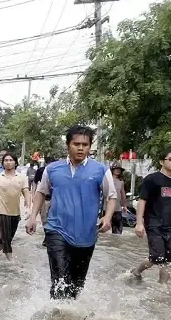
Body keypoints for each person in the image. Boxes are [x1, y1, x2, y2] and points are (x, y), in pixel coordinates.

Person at [26, 126, 116, 299]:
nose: (81, 148)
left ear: (90, 146)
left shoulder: (100, 170)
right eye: (76, 144)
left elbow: (111, 196)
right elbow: (41, 192)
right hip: (56, 229)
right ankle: (56, 314)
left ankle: (70, 313)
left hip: (86, 235)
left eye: (85, 145)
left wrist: (107, 217)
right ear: (68, 145)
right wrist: (32, 217)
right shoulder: (52, 169)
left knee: (76, 286)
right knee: (60, 280)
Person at [131, 151, 171, 284]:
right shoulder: (152, 179)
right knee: (157, 256)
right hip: (154, 224)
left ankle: (163, 285)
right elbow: (142, 200)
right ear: (161, 161)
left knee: (170, 258)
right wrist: (139, 223)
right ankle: (137, 270)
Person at [0, 154, 30, 259]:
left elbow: (26, 192)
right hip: (2, 211)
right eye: (6, 160)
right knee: (7, 238)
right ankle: (10, 262)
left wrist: (28, 208)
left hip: (16, 212)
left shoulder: (22, 177)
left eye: (11, 160)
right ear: (2, 163)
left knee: (9, 236)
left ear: (15, 162)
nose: (8, 162)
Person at [109, 162, 128, 234]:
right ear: (112, 170)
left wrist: (125, 206)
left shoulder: (121, 182)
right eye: (116, 169)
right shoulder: (107, 180)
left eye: (119, 169)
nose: (118, 170)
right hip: (106, 209)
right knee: (103, 230)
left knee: (118, 232)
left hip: (118, 209)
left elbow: (123, 194)